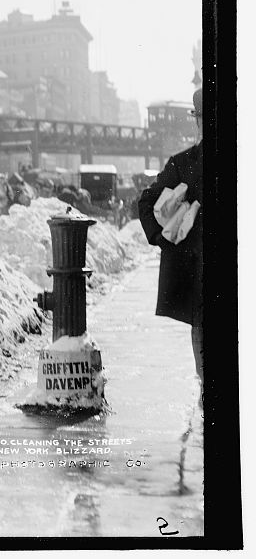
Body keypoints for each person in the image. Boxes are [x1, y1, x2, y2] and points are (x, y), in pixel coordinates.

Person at [138, 86, 203, 404]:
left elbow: (147, 201)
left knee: (203, 329)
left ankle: (210, 393)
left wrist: (161, 237)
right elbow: (147, 201)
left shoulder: (184, 163)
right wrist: (163, 237)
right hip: (206, 271)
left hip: (200, 270)